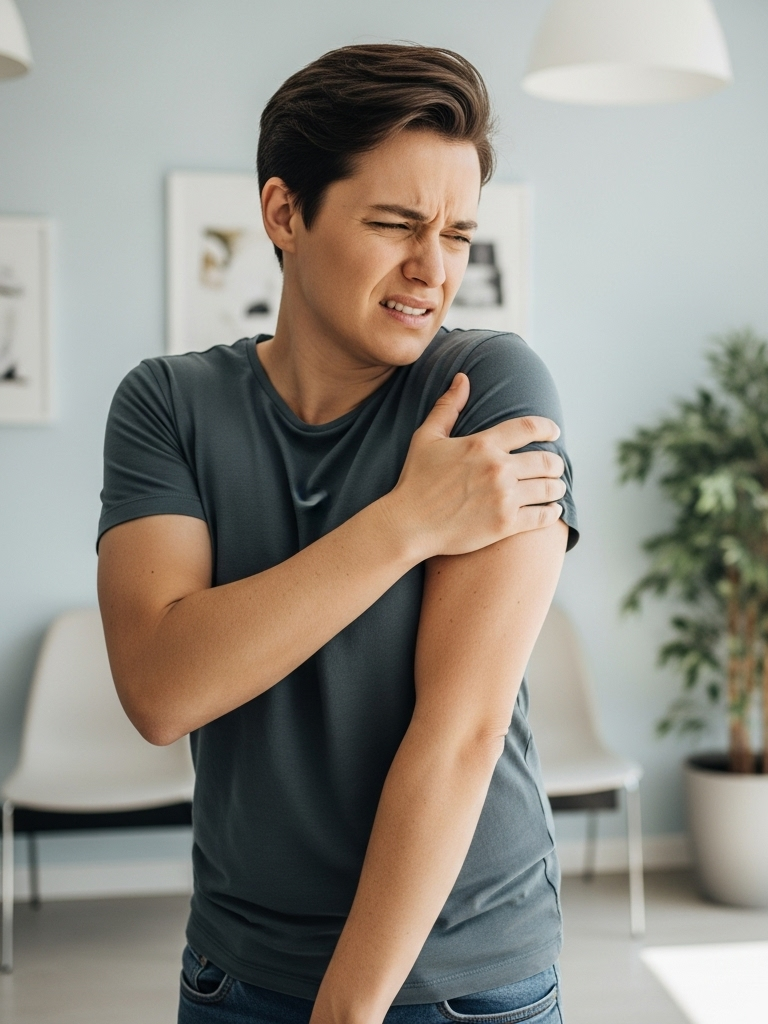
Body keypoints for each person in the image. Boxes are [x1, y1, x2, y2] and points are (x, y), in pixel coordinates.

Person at [96, 44, 577, 1024]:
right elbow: (161, 689)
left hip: (463, 978)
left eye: (457, 234)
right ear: (285, 212)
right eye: (396, 224)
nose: (433, 270)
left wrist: (346, 1011)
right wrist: (407, 523)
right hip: (238, 969)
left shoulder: (491, 392)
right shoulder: (168, 405)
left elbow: (462, 732)